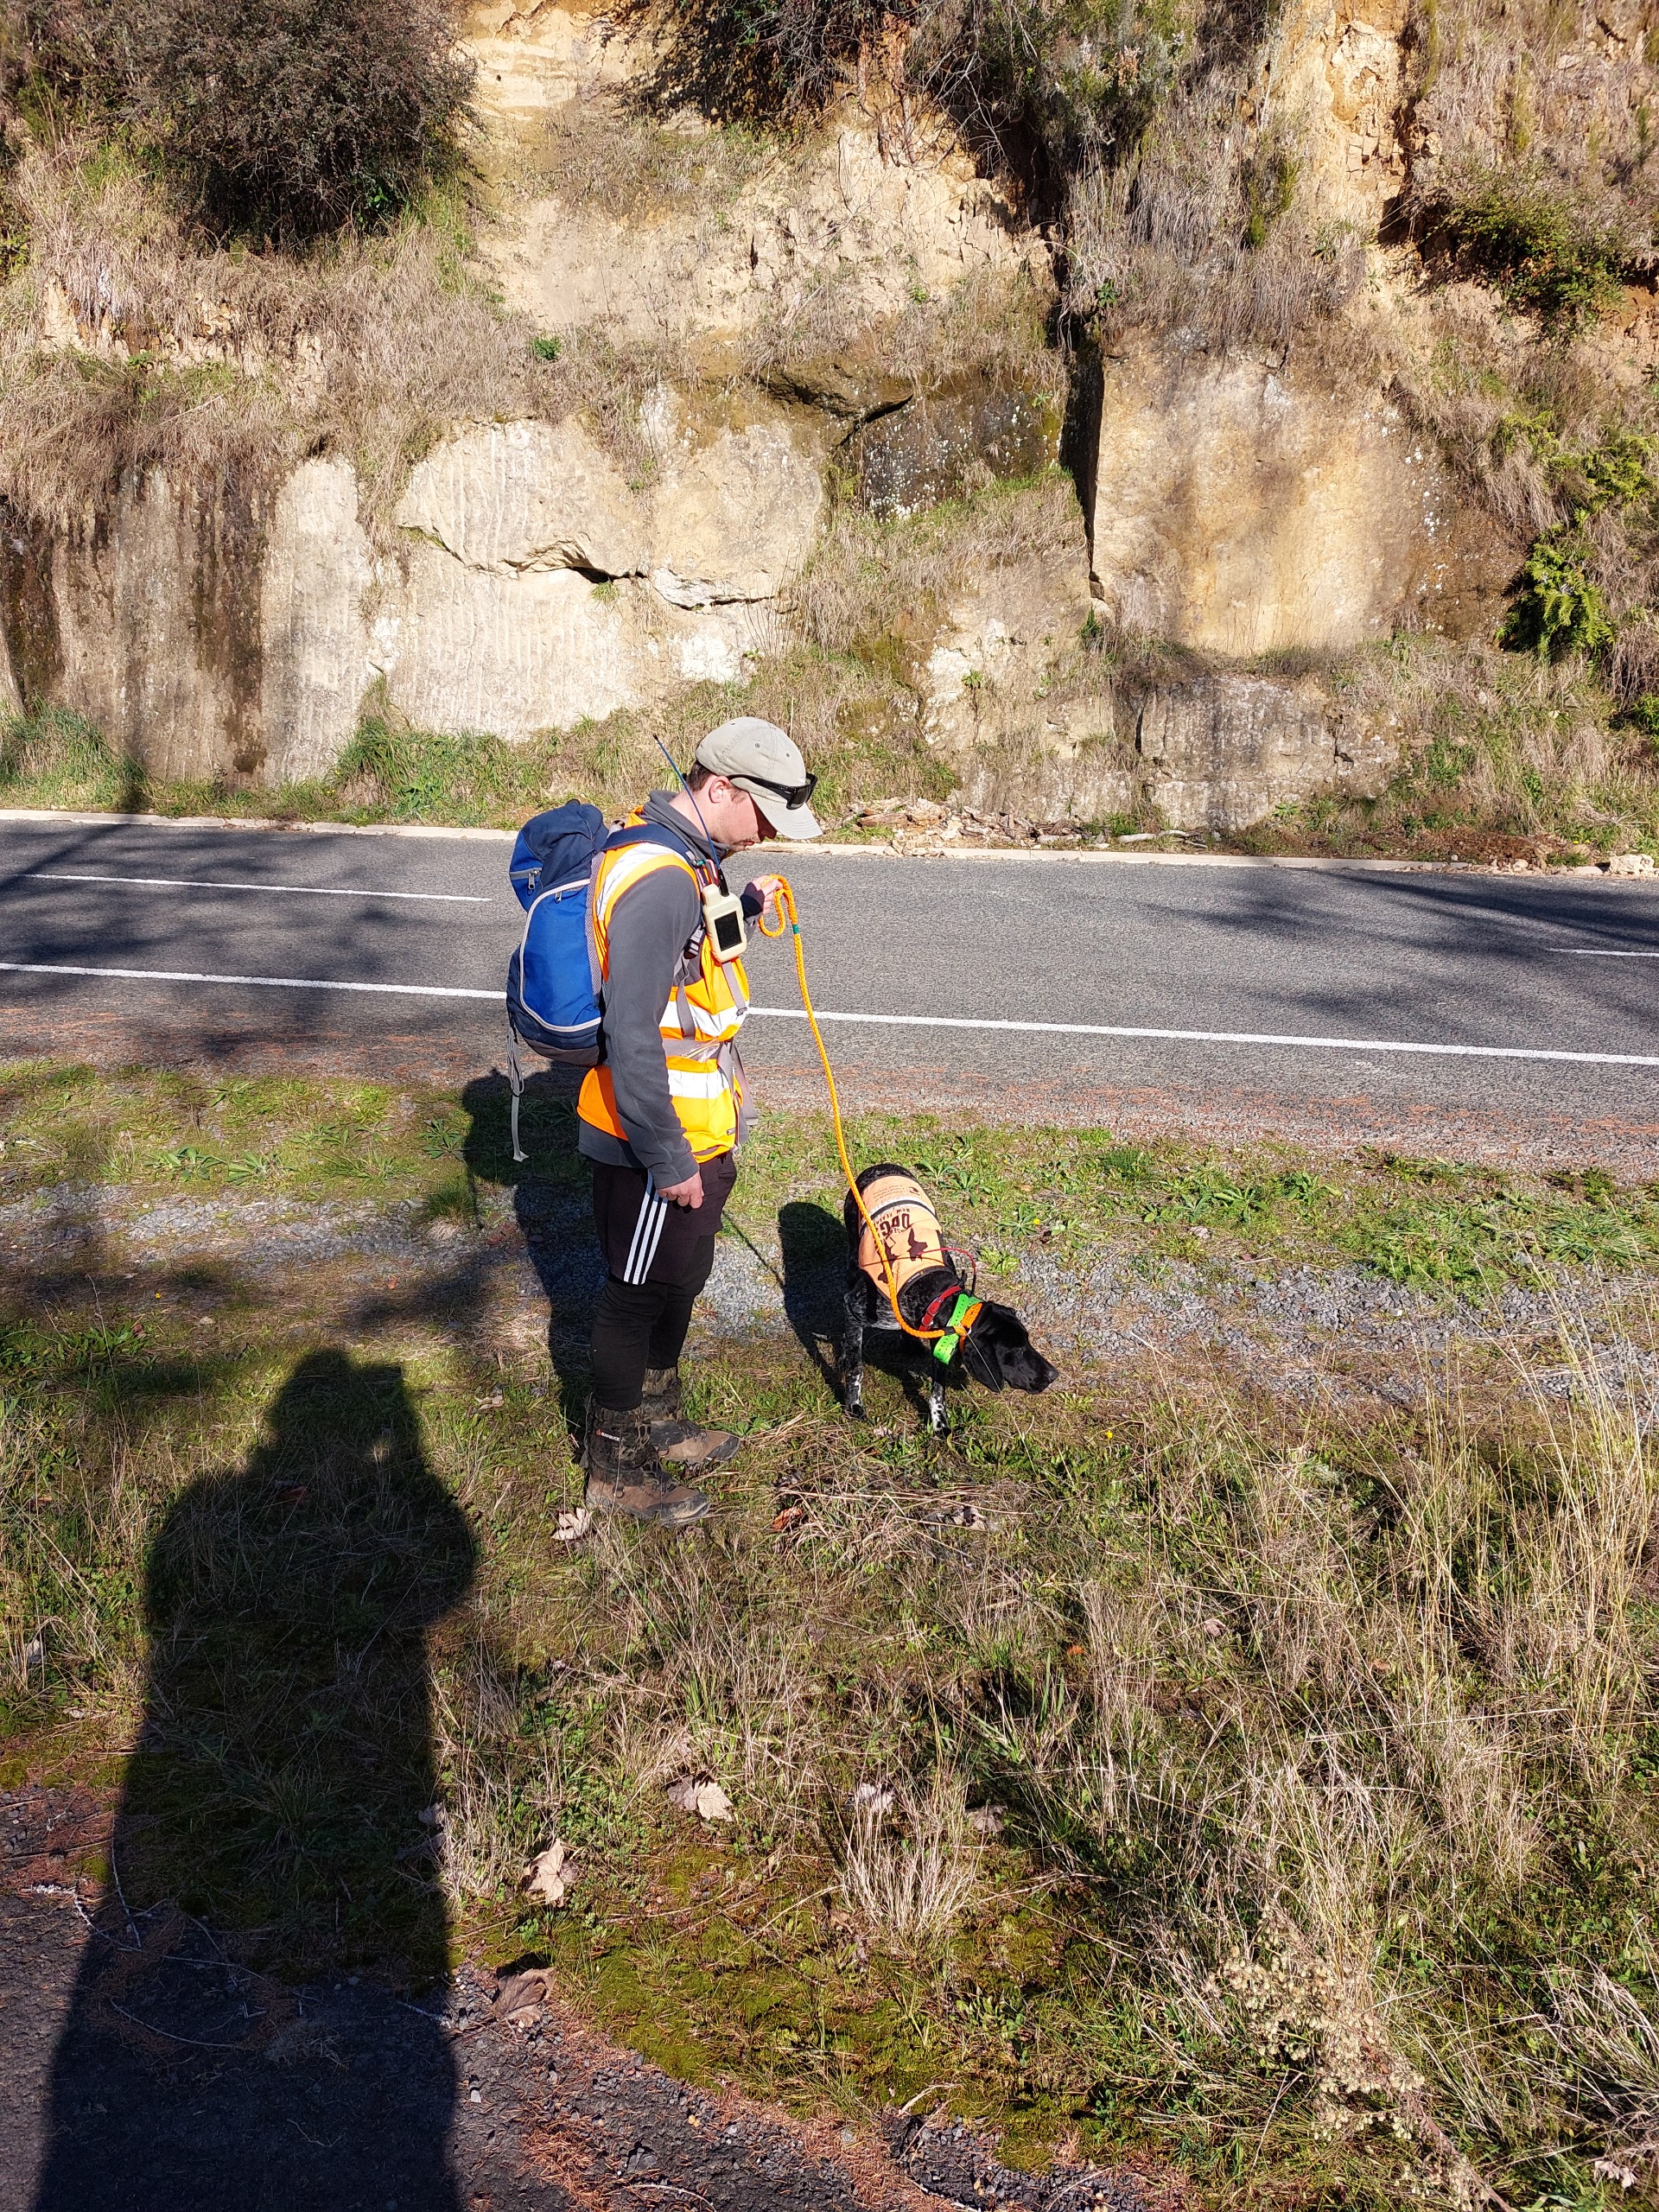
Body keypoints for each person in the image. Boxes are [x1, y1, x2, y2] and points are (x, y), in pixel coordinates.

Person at [577, 717, 822, 1528]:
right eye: (761, 817)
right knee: (635, 1293)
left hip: (702, 1127)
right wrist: (666, 1157)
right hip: (653, 1140)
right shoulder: (663, 877)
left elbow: (694, 969)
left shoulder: (696, 862)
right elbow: (632, 1028)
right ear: (718, 789)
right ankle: (611, 1471)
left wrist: (741, 907)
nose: (764, 836)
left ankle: (660, 1416)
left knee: (682, 1277)